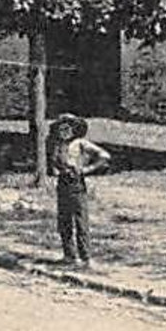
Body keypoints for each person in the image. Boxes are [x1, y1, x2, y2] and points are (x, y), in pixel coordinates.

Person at [51, 113, 111, 267]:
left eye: (68, 127)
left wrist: (87, 169)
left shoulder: (80, 143)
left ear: (74, 129)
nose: (64, 131)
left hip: (76, 184)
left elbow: (104, 156)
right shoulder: (58, 145)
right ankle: (69, 255)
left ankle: (86, 258)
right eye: (61, 127)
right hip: (62, 184)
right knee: (64, 221)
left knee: (80, 221)